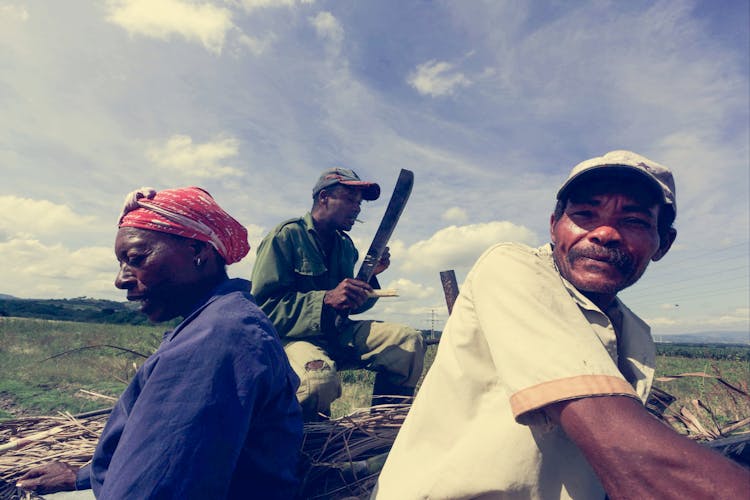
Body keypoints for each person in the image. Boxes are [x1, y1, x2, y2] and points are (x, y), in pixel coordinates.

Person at [373, 151, 750, 499]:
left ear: (663, 244)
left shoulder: (636, 331)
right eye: (585, 214)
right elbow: (632, 461)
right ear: (554, 227)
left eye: (633, 220)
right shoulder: (510, 269)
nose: (604, 233)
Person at [16, 187, 303, 499]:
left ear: (198, 251)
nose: (120, 279)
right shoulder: (218, 320)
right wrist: (86, 476)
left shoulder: (217, 339)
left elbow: (152, 489)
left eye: (136, 258)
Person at [251, 167, 425, 420]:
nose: (357, 208)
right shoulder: (286, 236)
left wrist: (370, 277)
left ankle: (381, 433)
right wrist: (325, 299)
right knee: (317, 380)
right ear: (324, 197)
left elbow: (349, 304)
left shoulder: (345, 246)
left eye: (360, 203)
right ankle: (312, 451)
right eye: (350, 200)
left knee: (406, 341)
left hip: (337, 332)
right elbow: (263, 308)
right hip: (291, 338)